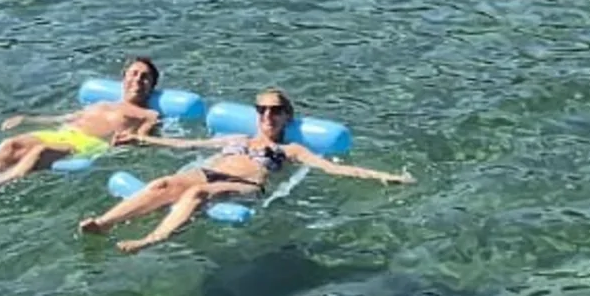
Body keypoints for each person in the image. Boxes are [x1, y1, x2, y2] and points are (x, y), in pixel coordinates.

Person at [78, 87, 413, 252]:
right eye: (262, 110)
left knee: (197, 194)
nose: (268, 116)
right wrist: (141, 140)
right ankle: (105, 224)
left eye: (276, 111)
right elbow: (187, 146)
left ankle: (151, 240)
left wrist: (385, 176)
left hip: (245, 184)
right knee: (164, 182)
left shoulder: (290, 148)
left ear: (287, 117)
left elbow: (334, 169)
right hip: (209, 170)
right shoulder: (235, 137)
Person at [0, 58, 164, 197]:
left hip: (88, 144)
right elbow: (63, 118)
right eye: (134, 74)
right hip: (63, 134)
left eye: (145, 78)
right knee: (11, 144)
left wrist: (133, 141)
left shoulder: (148, 114)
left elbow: (143, 140)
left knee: (39, 153)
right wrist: (27, 119)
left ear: (151, 86)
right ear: (123, 79)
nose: (138, 80)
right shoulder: (102, 103)